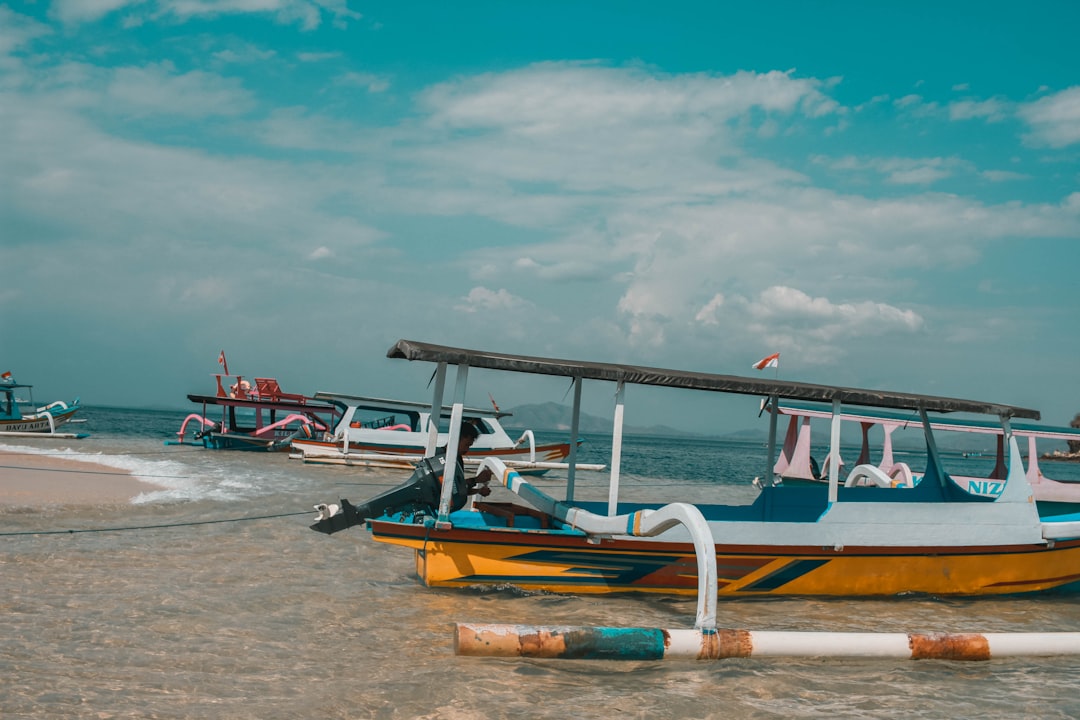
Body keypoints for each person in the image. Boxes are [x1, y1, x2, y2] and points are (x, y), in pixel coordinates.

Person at [311, 420, 493, 534]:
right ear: (459, 438)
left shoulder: (454, 460)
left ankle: (346, 516)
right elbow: (449, 488)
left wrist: (477, 488)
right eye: (467, 444)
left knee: (381, 507)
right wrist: (476, 482)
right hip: (422, 497)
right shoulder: (444, 458)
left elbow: (453, 491)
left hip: (427, 500)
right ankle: (345, 517)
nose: (468, 449)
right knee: (381, 506)